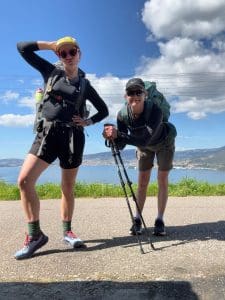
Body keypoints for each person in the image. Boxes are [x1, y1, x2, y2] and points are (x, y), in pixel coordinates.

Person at [15, 36, 109, 259]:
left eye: (72, 52)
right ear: (59, 56)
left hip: (73, 137)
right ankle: (35, 235)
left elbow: (103, 110)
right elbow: (22, 49)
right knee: (25, 181)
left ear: (79, 54)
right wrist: (51, 46)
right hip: (47, 135)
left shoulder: (85, 84)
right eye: (63, 53)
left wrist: (88, 122)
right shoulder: (50, 72)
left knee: (67, 187)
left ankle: (67, 231)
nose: (68, 56)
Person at [103, 78, 176, 236]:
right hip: (143, 146)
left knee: (162, 179)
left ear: (145, 94)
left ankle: (160, 220)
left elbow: (144, 139)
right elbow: (122, 144)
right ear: (125, 96)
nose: (135, 95)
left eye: (139, 92)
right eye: (131, 92)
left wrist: (120, 135)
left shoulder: (155, 110)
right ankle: (137, 219)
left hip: (164, 142)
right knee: (142, 182)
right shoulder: (122, 115)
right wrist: (112, 137)